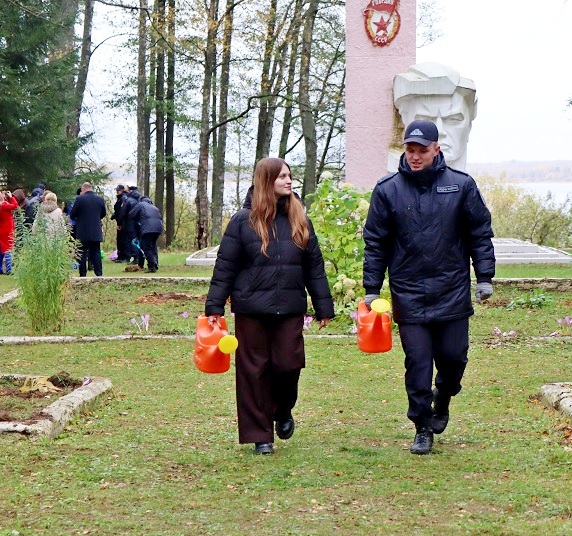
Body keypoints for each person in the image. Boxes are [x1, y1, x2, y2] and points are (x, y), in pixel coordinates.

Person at [363, 119, 495, 455]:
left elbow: (479, 233)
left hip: (451, 290)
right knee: (418, 364)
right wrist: (371, 288)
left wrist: (484, 277)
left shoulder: (460, 185)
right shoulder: (388, 189)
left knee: (454, 359)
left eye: (422, 150)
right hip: (409, 293)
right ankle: (422, 426)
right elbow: (375, 242)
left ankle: (444, 397)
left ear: (436, 149)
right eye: (410, 149)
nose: (415, 156)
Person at [205, 157, 335, 455]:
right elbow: (225, 266)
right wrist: (214, 306)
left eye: (289, 176)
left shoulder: (300, 219)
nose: (289, 181)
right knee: (253, 371)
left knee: (289, 365)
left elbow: (314, 266)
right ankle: (260, 435)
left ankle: (282, 409)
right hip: (251, 309)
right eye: (282, 177)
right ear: (266, 181)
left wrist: (323, 306)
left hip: (289, 307)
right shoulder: (243, 221)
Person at [393, 62, 477, 172]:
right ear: (404, 120)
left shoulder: (465, 182)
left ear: (469, 127)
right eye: (425, 120)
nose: (439, 131)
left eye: (453, 119)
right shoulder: (391, 182)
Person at [69, 182, 106, 277]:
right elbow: (103, 213)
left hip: (83, 231)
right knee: (96, 252)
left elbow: (72, 215)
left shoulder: (79, 199)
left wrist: (80, 218)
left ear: (83, 189)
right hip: (95, 230)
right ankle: (99, 273)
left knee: (82, 253)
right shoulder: (100, 199)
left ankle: (82, 274)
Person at [128, 196, 163, 272]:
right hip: (158, 228)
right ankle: (155, 263)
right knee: (153, 246)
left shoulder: (141, 204)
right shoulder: (154, 207)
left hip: (148, 229)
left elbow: (131, 214)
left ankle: (152, 266)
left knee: (146, 247)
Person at [0, 190, 19, 274]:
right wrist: (11, 197)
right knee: (8, 248)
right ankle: (9, 268)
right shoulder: (4, 205)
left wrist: (6, 198)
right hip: (7, 229)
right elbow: (15, 206)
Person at [110, 185, 130, 263]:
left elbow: (122, 212)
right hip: (121, 222)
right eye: (117, 190)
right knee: (120, 240)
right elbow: (118, 211)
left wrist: (119, 223)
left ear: (122, 190)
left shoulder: (123, 198)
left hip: (123, 223)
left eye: (118, 190)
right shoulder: (120, 198)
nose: (117, 192)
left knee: (124, 240)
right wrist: (114, 216)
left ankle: (125, 257)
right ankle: (120, 256)